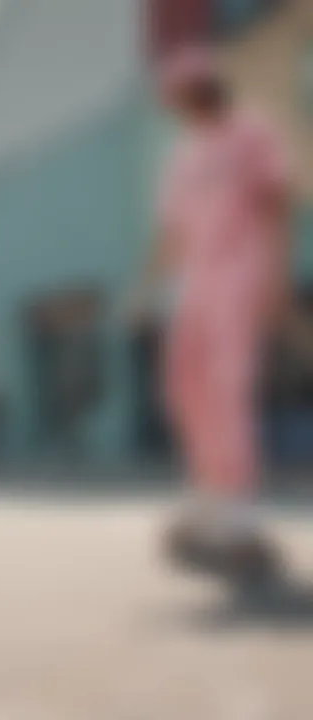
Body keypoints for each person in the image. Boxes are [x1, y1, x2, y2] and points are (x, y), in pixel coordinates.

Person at [130, 47, 293, 578]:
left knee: (227, 388)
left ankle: (240, 510)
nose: (173, 106)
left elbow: (274, 205)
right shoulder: (183, 152)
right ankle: (207, 494)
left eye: (178, 95)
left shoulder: (251, 133)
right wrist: (145, 288)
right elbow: (172, 231)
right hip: (195, 283)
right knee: (182, 384)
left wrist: (275, 278)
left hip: (240, 273)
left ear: (203, 88)